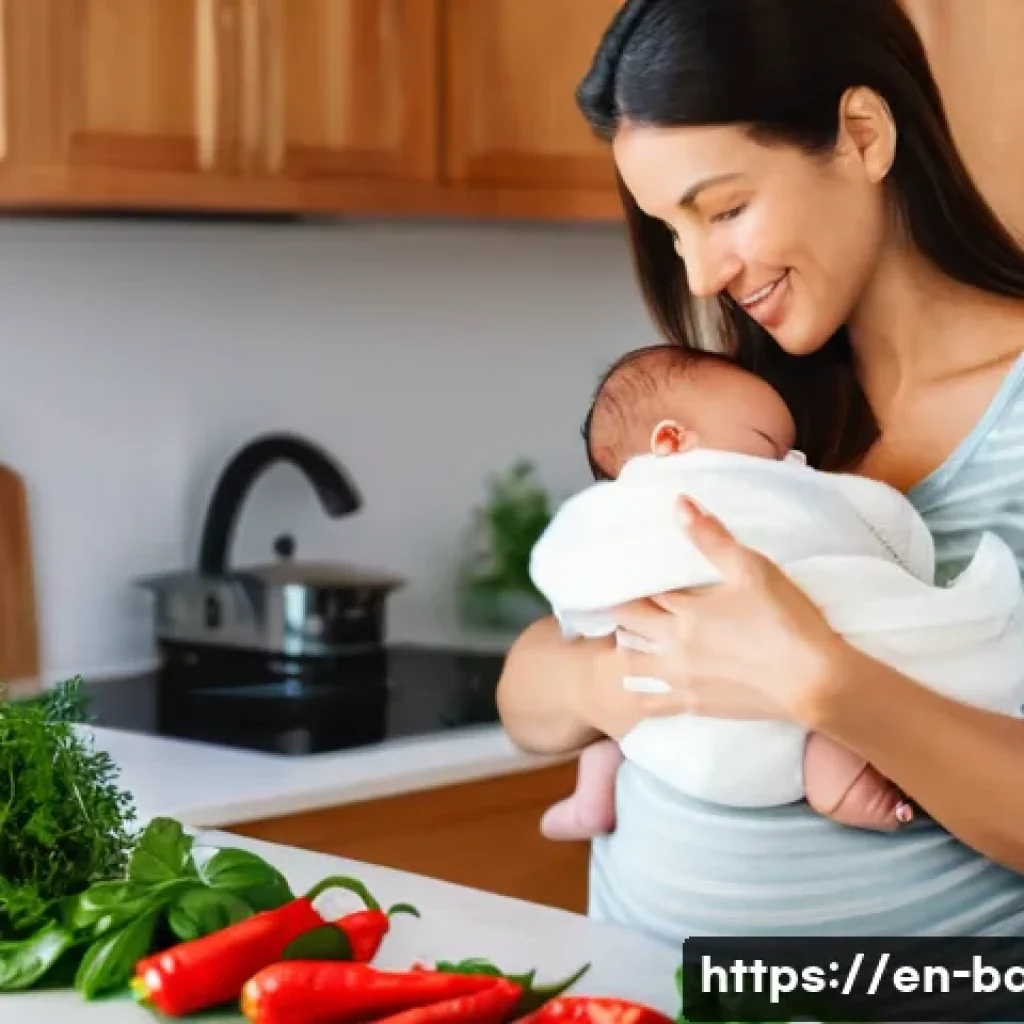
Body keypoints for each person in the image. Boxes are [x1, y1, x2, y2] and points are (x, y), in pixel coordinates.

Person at [496, 0, 1024, 942]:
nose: (698, 276)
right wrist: (609, 684)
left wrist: (824, 685)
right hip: (633, 999)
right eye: (671, 231)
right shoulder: (737, 414)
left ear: (862, 135)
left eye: (725, 209)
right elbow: (533, 686)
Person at [533, 343, 1023, 841]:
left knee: (628, 739)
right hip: (668, 709)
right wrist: (597, 680)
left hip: (681, 730)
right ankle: (836, 780)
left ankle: (594, 789)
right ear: (671, 441)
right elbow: (529, 687)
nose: (795, 464)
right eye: (769, 445)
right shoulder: (669, 502)